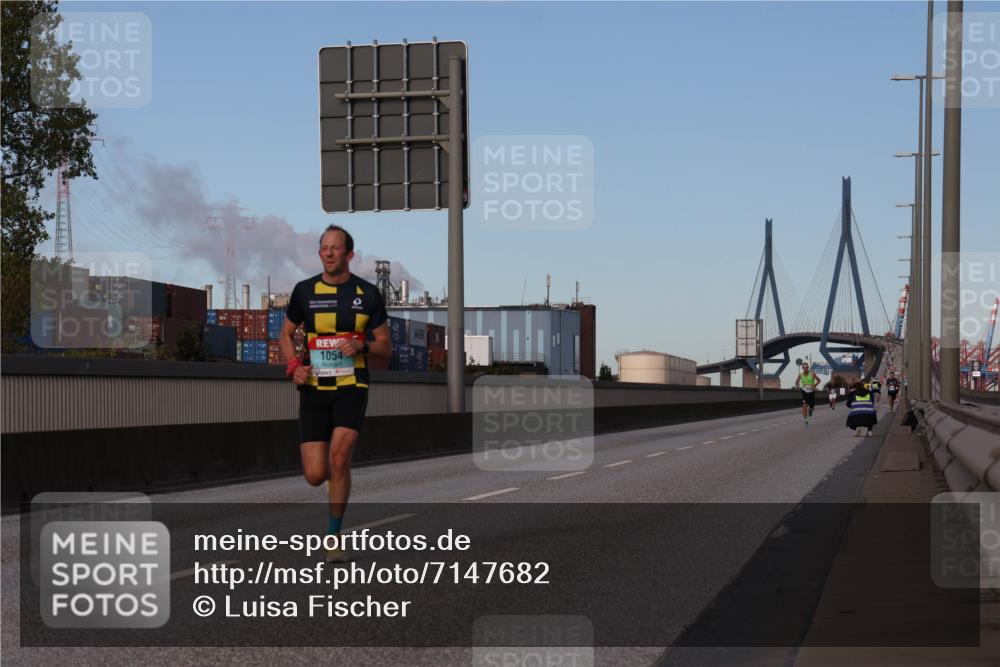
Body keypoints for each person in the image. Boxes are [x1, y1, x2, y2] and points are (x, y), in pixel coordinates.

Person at [280, 224, 392, 563]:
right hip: (314, 387)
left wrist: (362, 343)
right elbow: (285, 335)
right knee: (316, 475)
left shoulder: (368, 294)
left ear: (349, 254)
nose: (328, 252)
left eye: (335, 247)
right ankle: (335, 481)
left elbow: (385, 349)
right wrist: (292, 367)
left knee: (339, 458)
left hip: (351, 386)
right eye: (323, 248)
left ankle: (333, 535)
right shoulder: (304, 291)